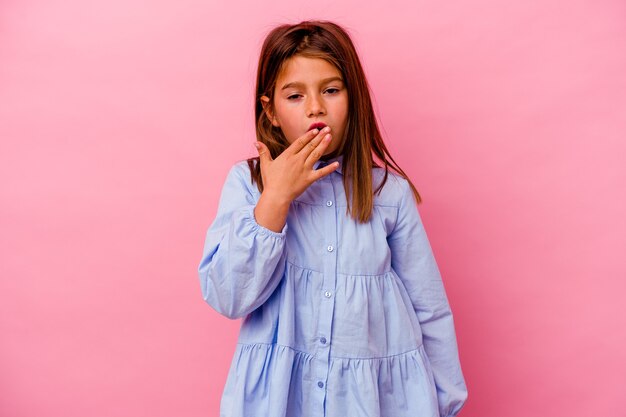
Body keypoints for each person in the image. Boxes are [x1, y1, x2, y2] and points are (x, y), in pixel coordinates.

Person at [198, 19, 468, 417]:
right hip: (280, 398)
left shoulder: (387, 194)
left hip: (375, 400)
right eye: (294, 95)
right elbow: (228, 297)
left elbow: (428, 306)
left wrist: (445, 402)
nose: (315, 107)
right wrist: (276, 199)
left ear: (353, 98)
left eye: (331, 90)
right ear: (270, 112)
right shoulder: (249, 184)